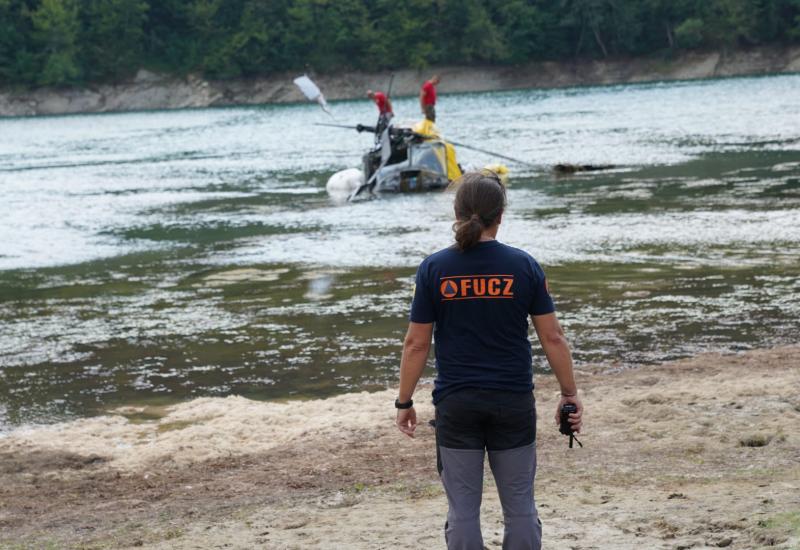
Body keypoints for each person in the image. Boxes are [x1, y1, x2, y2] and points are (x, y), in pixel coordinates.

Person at [394, 171, 583, 550]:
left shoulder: (434, 269)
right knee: (520, 509)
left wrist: (404, 401)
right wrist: (569, 394)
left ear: (458, 211)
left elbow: (417, 344)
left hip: (457, 404)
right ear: (501, 215)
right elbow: (553, 337)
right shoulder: (524, 266)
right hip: (511, 402)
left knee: (463, 512)